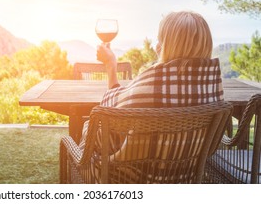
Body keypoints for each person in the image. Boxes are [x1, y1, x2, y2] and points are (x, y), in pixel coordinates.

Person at [79, 11, 223, 150]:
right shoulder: (212, 86)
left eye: (161, 40)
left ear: (170, 46)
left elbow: (109, 110)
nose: (156, 47)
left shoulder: (153, 85)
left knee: (88, 126)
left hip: (131, 173)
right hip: (189, 171)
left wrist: (110, 65)